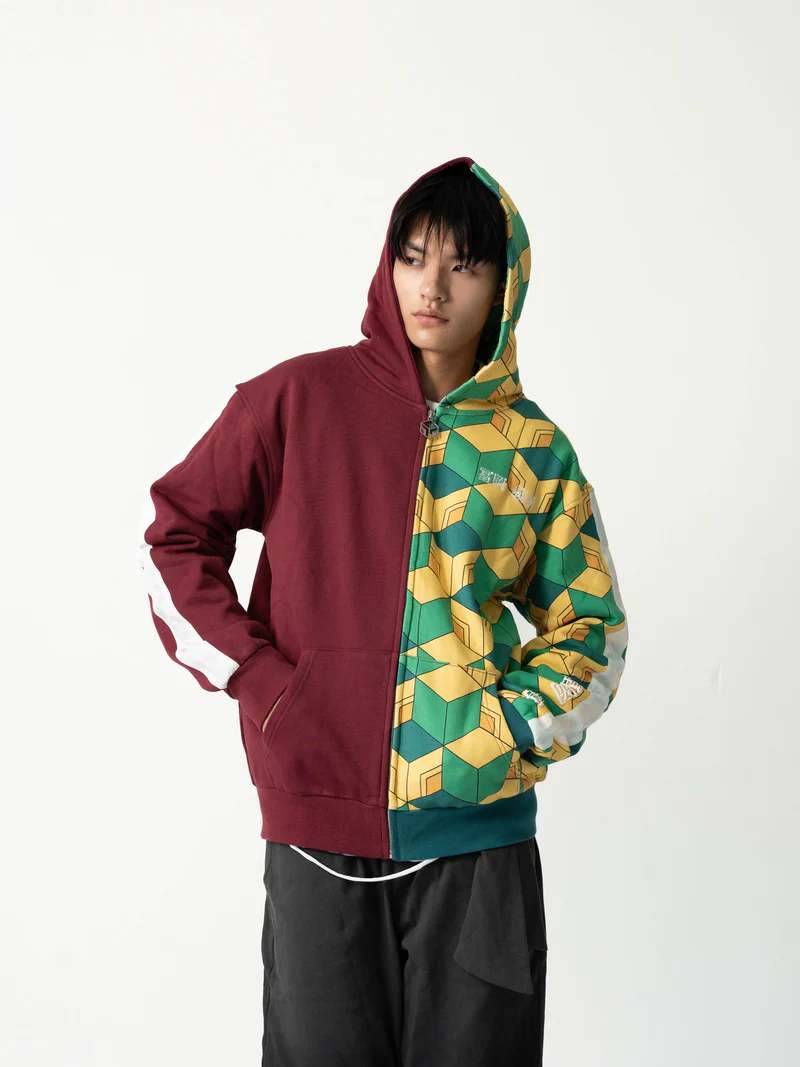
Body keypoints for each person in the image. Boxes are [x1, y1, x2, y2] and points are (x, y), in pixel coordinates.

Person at [138, 155, 628, 1065]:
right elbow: (172, 537)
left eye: (462, 265)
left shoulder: (534, 452)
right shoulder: (296, 401)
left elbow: (592, 632)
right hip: (316, 833)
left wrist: (506, 727)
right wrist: (262, 678)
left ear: (504, 285)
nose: (431, 288)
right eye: (412, 257)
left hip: (479, 851)